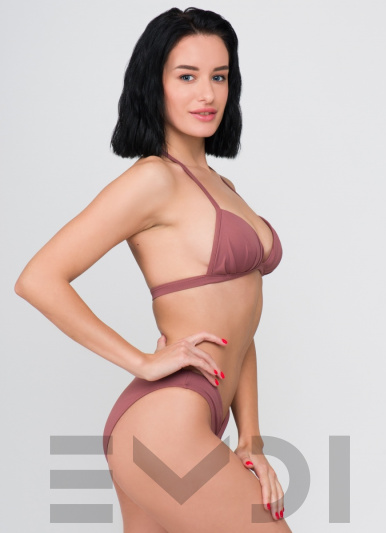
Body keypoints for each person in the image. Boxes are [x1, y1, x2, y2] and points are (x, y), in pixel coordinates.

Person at [14, 6, 292, 532]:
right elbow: (38, 279)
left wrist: (250, 439)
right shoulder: (153, 180)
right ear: (153, 84)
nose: (206, 94)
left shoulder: (223, 187)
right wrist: (141, 361)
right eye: (186, 76)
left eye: (219, 76)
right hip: (164, 427)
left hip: (191, 420)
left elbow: (240, 326)